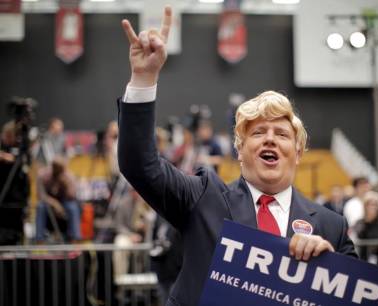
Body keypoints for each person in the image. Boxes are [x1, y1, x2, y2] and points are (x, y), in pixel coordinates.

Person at [117, 7, 356, 306]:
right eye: (258, 133)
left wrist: (329, 268)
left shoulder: (331, 227)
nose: (270, 138)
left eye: (281, 134)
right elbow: (139, 164)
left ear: (298, 152)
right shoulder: (203, 198)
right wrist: (144, 77)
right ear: (239, 151)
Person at [35, 156, 81, 243]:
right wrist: (55, 203)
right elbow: (40, 195)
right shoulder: (43, 176)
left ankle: (74, 239)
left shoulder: (69, 176)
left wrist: (65, 184)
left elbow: (72, 196)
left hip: (65, 201)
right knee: (40, 207)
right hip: (48, 202)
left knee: (73, 207)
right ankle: (39, 240)